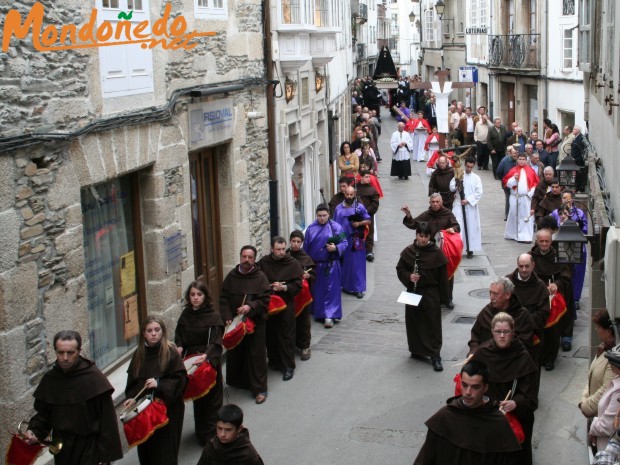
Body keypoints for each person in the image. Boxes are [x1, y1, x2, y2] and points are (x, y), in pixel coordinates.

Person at [24, 330, 122, 465]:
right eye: (60, 352)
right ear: (55, 352)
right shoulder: (51, 379)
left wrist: (105, 457)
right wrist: (34, 431)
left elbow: (108, 422)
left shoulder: (93, 379)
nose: (65, 358)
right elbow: (45, 415)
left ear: (79, 351)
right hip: (62, 449)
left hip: (90, 449)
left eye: (70, 353)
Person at [413, 360, 521, 464]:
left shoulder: (498, 423)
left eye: (475, 387)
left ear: (485, 388)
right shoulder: (446, 415)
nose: (468, 392)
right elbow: (425, 457)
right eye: (464, 385)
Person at [472, 312, 538, 465]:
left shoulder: (522, 357)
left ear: (512, 332)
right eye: (498, 332)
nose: (502, 335)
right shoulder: (483, 353)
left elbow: (530, 394)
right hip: (488, 415)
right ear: (492, 332)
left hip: (516, 416)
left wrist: (515, 403)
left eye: (506, 332)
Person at [125, 316, 188, 465]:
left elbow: (180, 380)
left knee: (165, 451)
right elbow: (133, 382)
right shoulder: (139, 355)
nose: (153, 333)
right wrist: (131, 398)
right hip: (145, 412)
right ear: (144, 334)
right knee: (147, 450)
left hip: (168, 410)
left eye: (157, 330)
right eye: (149, 330)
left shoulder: (170, 352)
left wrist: (159, 384)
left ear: (162, 332)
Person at [175, 280, 225, 445]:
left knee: (212, 400)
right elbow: (179, 335)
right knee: (199, 399)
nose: (196, 298)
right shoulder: (185, 315)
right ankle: (201, 432)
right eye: (192, 294)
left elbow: (216, 340)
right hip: (192, 362)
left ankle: (214, 433)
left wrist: (206, 355)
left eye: (199, 294)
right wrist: (180, 347)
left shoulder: (213, 315)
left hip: (208, 361)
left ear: (205, 296)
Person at [220, 245, 271, 404]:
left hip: (254, 323)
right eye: (244, 257)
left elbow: (265, 300)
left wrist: (250, 306)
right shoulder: (232, 276)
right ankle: (240, 381)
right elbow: (223, 298)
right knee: (237, 352)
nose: (246, 260)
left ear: (254, 259)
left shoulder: (260, 277)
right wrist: (227, 314)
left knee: (256, 355)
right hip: (236, 322)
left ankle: (260, 389)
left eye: (250, 257)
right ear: (240, 257)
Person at [396, 221, 449, 371]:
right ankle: (417, 349)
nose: (423, 239)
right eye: (420, 236)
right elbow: (400, 269)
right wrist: (409, 277)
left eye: (426, 236)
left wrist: (444, 299)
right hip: (413, 291)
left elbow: (443, 278)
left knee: (432, 324)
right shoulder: (409, 251)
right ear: (416, 235)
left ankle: (435, 355)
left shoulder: (437, 253)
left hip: (431, 293)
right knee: (414, 322)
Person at [402, 194, 460, 309]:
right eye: (432, 202)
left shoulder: (448, 214)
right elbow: (414, 224)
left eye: (437, 202)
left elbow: (456, 226)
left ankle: (448, 299)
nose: (435, 204)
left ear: (441, 202)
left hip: (442, 250)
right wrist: (408, 215)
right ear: (430, 202)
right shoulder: (426, 214)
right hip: (428, 249)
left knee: (446, 275)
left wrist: (452, 229)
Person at [259, 236, 303, 382]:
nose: (282, 252)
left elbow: (298, 284)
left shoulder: (292, 263)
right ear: (272, 249)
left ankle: (288, 367)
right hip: (270, 305)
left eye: (284, 249)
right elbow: (258, 280)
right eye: (278, 249)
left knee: (286, 335)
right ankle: (275, 361)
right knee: (270, 334)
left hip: (286, 304)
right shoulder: (264, 262)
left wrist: (284, 287)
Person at [528, 229, 574, 371]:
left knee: (552, 330)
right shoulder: (531, 256)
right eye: (541, 241)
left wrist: (556, 285)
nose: (544, 244)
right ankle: (538, 356)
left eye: (546, 241)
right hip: (536, 298)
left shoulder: (558, 255)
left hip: (552, 297)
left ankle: (550, 358)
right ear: (536, 241)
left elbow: (565, 275)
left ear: (551, 242)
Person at [551, 191, 588, 351]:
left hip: (576, 250)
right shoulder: (556, 213)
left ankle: (576, 299)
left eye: (567, 198)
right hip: (561, 256)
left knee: (577, 277)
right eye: (563, 198)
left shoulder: (578, 213)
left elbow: (585, 229)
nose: (565, 200)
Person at [304, 204, 348, 328]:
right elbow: (306, 248)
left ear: (329, 214)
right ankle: (319, 313)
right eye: (319, 216)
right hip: (316, 265)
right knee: (318, 290)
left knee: (331, 290)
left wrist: (336, 248)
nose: (322, 218)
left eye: (324, 215)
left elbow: (345, 242)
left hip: (331, 264)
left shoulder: (336, 227)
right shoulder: (311, 229)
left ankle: (330, 315)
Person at [468, 278, 535, 355]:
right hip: (485, 357)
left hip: (510, 360)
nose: (491, 297)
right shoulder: (486, 311)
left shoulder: (522, 315)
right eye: (490, 293)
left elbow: (524, 343)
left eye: (495, 294)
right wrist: (473, 351)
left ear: (507, 295)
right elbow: (475, 335)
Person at [334, 186, 371, 299]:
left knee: (357, 265)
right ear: (344, 194)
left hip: (356, 240)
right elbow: (334, 224)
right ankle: (345, 285)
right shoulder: (338, 209)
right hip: (342, 240)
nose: (349, 197)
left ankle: (358, 288)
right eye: (347, 194)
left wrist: (359, 224)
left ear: (355, 194)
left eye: (351, 194)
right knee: (345, 264)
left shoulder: (359, 207)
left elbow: (368, 219)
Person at [196, 404, 264, 465]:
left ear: (239, 429)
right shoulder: (211, 447)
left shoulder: (249, 454)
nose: (222, 434)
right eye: (219, 428)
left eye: (228, 430)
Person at [579, 310, 616, 419]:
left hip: (601, 418)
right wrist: (584, 398)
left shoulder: (613, 358)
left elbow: (605, 390)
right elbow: (591, 378)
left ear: (609, 331)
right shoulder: (603, 348)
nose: (596, 329)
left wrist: (585, 405)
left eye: (598, 327)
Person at [288, 230, 315, 361]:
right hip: (288, 295)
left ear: (302, 243)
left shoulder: (306, 258)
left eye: (298, 242)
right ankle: (289, 345)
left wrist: (308, 276)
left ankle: (305, 346)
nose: (295, 244)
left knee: (303, 322)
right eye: (293, 241)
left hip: (303, 295)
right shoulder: (285, 255)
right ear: (290, 241)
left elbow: (314, 274)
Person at [450, 156, 483, 258]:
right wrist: (456, 183)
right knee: (458, 226)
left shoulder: (476, 178)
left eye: (471, 167)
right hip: (458, 205)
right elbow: (451, 187)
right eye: (467, 166)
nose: (468, 169)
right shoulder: (459, 174)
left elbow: (479, 192)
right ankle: (457, 248)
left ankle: (470, 248)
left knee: (470, 227)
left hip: (470, 206)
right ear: (465, 165)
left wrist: (468, 200)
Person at [503, 153, 539, 243]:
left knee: (525, 216)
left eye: (523, 159)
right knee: (513, 215)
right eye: (520, 159)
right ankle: (512, 234)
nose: (521, 161)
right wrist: (514, 179)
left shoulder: (530, 170)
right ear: (517, 160)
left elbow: (536, 184)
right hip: (514, 197)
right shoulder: (513, 170)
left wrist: (530, 194)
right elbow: (506, 183)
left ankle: (525, 236)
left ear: (526, 160)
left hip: (525, 198)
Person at [589, 347, 620, 452]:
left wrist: (592, 429)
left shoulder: (618, 390)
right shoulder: (616, 380)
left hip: (609, 450)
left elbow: (607, 426)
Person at [356, 170, 380, 262]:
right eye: (366, 177)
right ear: (361, 177)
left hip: (368, 215)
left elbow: (375, 203)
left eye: (369, 177)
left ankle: (369, 251)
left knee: (369, 232)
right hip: (357, 215)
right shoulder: (355, 188)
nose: (368, 179)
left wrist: (366, 212)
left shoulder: (372, 190)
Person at [496, 145, 519, 221]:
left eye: (516, 153)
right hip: (507, 184)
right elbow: (499, 172)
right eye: (514, 153)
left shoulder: (519, 160)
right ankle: (507, 214)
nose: (515, 155)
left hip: (518, 184)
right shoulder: (504, 160)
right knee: (509, 198)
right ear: (510, 153)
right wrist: (504, 180)